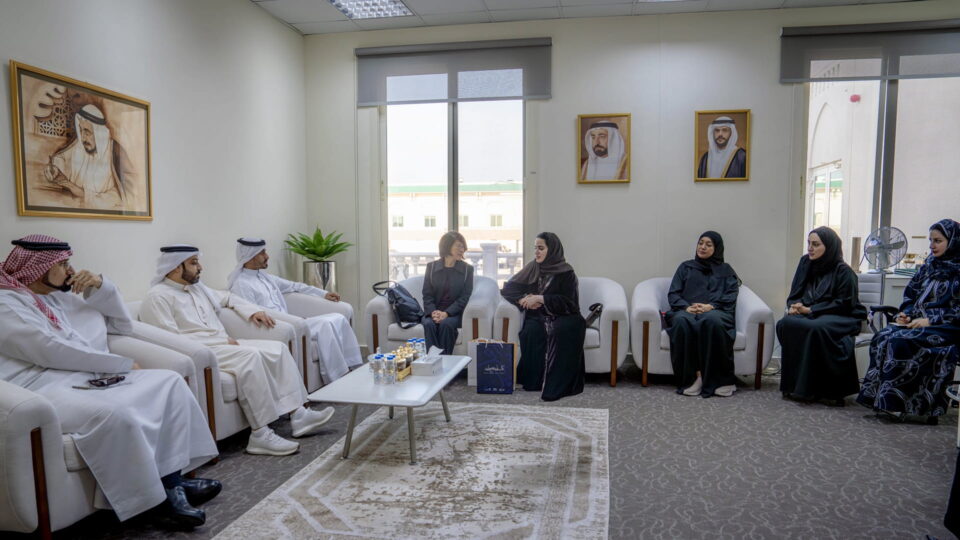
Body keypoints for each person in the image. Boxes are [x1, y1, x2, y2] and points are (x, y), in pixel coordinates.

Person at [0, 235, 220, 528]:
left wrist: (102, 287)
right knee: (116, 413)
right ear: (40, 268)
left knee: (169, 382)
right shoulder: (7, 303)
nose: (70, 269)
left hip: (83, 376)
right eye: (63, 263)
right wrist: (119, 365)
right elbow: (48, 349)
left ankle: (173, 479)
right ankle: (154, 502)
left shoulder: (58, 298)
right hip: (41, 386)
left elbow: (121, 324)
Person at [140, 245, 335, 456]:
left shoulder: (197, 288)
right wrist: (219, 341)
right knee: (250, 356)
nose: (200, 267)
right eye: (194, 263)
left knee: (277, 349)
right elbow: (170, 340)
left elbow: (228, 298)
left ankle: (299, 414)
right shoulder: (157, 297)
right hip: (202, 352)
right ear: (175, 267)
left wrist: (253, 311)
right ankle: (260, 434)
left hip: (223, 344)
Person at [857, 219, 960, 422]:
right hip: (919, 323)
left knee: (900, 340)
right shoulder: (928, 266)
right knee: (884, 336)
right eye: (931, 240)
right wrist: (906, 314)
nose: (932, 245)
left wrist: (930, 320)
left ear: (953, 241)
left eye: (938, 240)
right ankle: (882, 401)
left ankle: (908, 406)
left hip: (949, 327)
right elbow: (911, 296)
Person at [227, 238, 361, 383]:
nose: (267, 256)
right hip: (278, 326)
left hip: (294, 322)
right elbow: (253, 312)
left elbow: (296, 286)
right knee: (324, 325)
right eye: (262, 253)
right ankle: (337, 377)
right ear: (250, 256)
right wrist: (293, 320)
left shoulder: (265, 277)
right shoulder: (241, 284)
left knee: (338, 316)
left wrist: (323, 293)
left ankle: (353, 366)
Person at [777, 227, 866, 405]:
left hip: (843, 316)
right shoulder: (805, 263)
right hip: (813, 313)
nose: (810, 248)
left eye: (816, 244)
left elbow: (845, 304)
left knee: (815, 328)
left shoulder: (844, 271)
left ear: (829, 246)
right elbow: (796, 291)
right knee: (785, 323)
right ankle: (794, 386)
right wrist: (793, 306)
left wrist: (811, 310)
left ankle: (822, 390)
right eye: (809, 243)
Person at [501, 232, 585, 401]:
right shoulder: (533, 267)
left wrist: (541, 298)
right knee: (530, 332)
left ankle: (556, 386)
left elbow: (570, 303)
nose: (537, 252)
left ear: (552, 249)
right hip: (538, 316)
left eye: (541, 248)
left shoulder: (566, 272)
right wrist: (524, 299)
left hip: (564, 315)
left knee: (560, 331)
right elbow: (508, 288)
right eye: (535, 248)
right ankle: (534, 382)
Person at [666, 231, 741, 398]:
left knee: (712, 321)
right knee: (681, 322)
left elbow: (731, 294)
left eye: (708, 244)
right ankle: (693, 379)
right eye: (701, 243)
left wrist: (711, 306)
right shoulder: (685, 267)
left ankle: (721, 381)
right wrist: (686, 307)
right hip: (687, 311)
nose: (703, 247)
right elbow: (673, 294)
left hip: (716, 311)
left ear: (717, 248)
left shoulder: (726, 270)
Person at [42, 104, 136, 209]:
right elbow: (61, 158)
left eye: (87, 132)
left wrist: (80, 192)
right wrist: (54, 169)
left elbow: (120, 196)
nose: (83, 138)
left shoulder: (114, 151)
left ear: (99, 133)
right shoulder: (79, 146)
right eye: (81, 130)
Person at [421, 231, 474, 355]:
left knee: (446, 325)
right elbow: (427, 294)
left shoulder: (467, 270)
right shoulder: (431, 267)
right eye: (458, 246)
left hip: (454, 313)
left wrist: (447, 313)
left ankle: (445, 364)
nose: (462, 250)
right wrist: (433, 313)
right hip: (433, 311)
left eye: (463, 247)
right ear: (447, 246)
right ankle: (432, 361)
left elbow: (465, 297)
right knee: (429, 324)